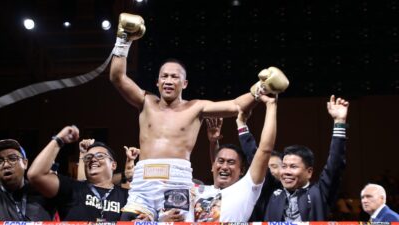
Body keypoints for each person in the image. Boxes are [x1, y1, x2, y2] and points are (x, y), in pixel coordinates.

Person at [110, 13, 289, 221]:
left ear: (184, 83)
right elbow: (117, 77)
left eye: (174, 76)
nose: (169, 80)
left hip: (177, 180)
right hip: (143, 180)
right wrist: (123, 40)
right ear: (157, 82)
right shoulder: (145, 101)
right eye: (164, 76)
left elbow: (236, 106)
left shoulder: (196, 108)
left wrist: (261, 89)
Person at [255, 95, 349, 221]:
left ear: (309, 172)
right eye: (284, 166)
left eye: (293, 167)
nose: (286, 172)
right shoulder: (271, 191)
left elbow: (335, 165)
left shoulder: (319, 193)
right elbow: (257, 156)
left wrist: (339, 122)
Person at [27, 125, 141, 221]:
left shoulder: (128, 196)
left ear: (113, 165)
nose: (93, 159)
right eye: (89, 157)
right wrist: (59, 140)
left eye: (100, 156)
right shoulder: (72, 188)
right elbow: (35, 175)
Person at [192, 94, 277, 222]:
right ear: (213, 166)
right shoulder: (198, 191)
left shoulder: (246, 189)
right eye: (221, 161)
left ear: (242, 170)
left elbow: (264, 150)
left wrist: (271, 106)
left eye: (231, 163)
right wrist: (213, 142)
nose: (225, 167)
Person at [0, 139, 56, 220]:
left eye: (12, 158)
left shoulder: (43, 191)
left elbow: (79, 199)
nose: (6, 165)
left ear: (25, 163)